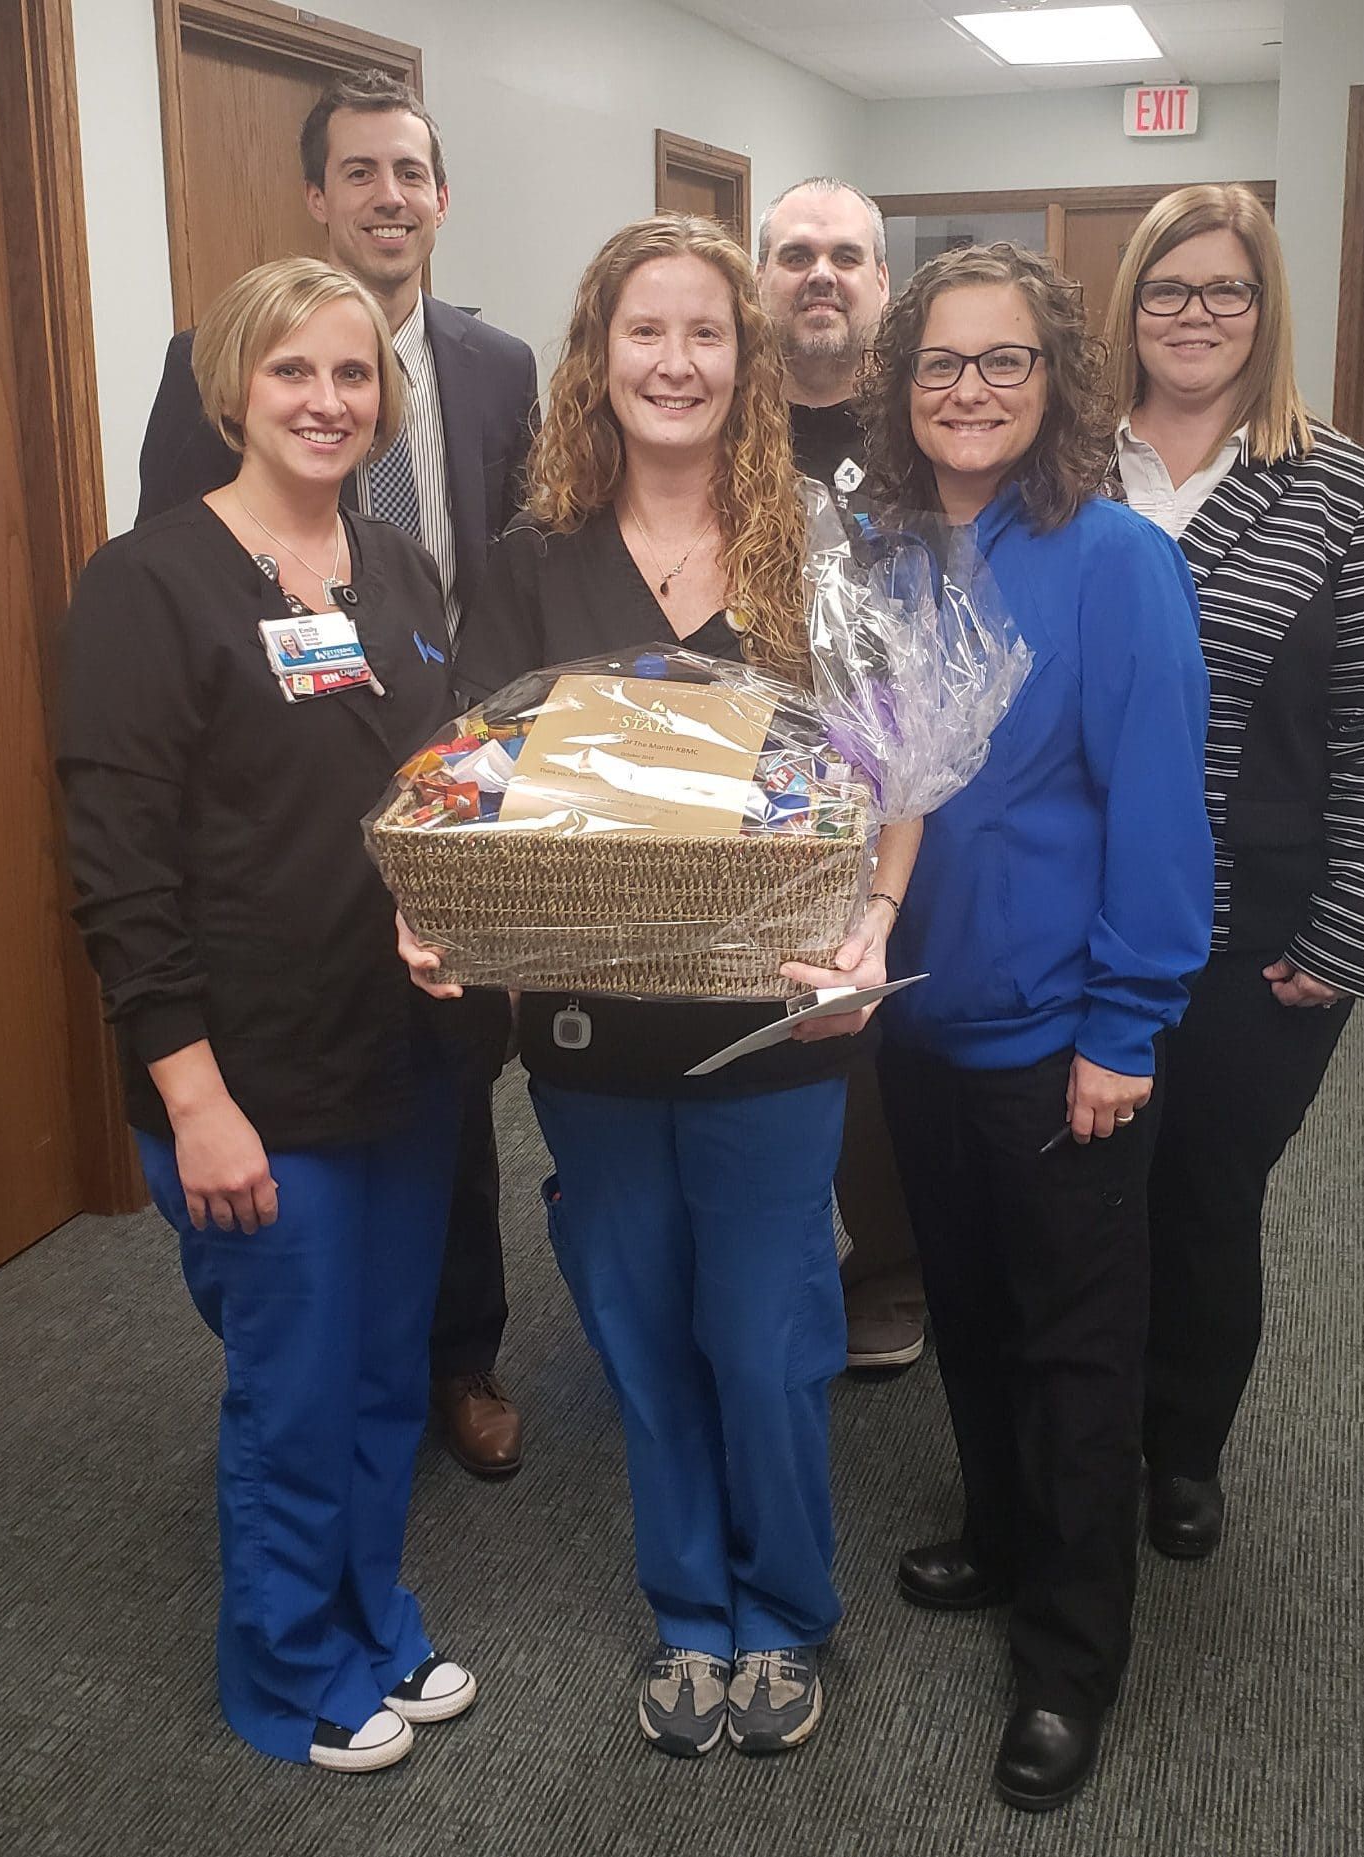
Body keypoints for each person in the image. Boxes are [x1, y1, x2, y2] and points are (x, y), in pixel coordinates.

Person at [404, 214, 920, 1759]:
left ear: (746, 361)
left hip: (778, 1018)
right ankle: (689, 1605)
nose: (677, 360)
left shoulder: (818, 553)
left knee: (765, 1332)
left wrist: (878, 917)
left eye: (708, 332)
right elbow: (468, 782)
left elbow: (902, 761)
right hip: (588, 1029)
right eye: (647, 332)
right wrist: (442, 911)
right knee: (636, 1322)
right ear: (599, 359)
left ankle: (785, 1607)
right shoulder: (528, 565)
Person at [59, 257, 498, 1770]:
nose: (327, 401)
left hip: (401, 1052)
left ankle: (371, 1611)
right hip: (247, 1078)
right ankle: (286, 1666)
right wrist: (192, 1097)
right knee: (292, 1386)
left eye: (355, 374)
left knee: (384, 1369)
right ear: (231, 386)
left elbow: (428, 797)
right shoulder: (148, 582)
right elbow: (117, 873)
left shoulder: (397, 568)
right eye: (294, 371)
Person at [137, 68, 536, 1480]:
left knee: (447, 1100)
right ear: (318, 195)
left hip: (450, 770)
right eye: (357, 172)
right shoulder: (217, 371)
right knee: (307, 1199)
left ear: (438, 194)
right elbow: (180, 602)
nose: (387, 195)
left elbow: (515, 560)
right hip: (286, 828)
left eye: (408, 171)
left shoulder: (493, 367)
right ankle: (318, 1388)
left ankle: (460, 1357)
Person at [861, 243, 1216, 1809]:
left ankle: (1069, 1655)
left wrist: (1125, 1026)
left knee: (1077, 1348)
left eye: (1004, 361)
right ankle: (1000, 1534)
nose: (970, 390)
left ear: (1056, 380)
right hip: (914, 1022)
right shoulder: (873, 556)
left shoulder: (1116, 560)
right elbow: (872, 790)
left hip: (1062, 1033)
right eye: (942, 362)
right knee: (974, 1311)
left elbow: (1156, 814)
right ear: (900, 381)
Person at [1101, 185, 1364, 1562]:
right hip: (1081, 920)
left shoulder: (1345, 488)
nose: (1194, 315)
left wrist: (1353, 924)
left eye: (1224, 291)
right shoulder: (1059, 469)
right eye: (1166, 288)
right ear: (1126, 307)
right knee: (1073, 1196)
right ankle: (1067, 1434)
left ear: (1264, 311)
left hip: (1260, 930)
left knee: (1200, 1193)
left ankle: (1180, 1444)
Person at [757, 176, 926, 1375]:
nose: (821, 273)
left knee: (888, 1041)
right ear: (761, 278)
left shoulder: (928, 420)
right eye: (794, 254)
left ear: (881, 283)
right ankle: (763, 1257)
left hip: (913, 787)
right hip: (756, 792)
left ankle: (893, 1262)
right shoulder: (717, 411)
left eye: (846, 257)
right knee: (758, 1021)